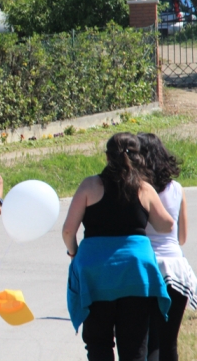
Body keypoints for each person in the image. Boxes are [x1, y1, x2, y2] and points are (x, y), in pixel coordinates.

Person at [62, 132, 175, 361]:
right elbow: (166, 225)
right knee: (134, 348)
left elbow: (67, 231)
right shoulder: (143, 189)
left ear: (107, 157)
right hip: (136, 272)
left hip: (95, 273)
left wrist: (74, 252)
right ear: (138, 158)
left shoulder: (90, 185)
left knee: (98, 343)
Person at [138, 133, 197, 361]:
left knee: (151, 341)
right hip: (176, 270)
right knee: (169, 341)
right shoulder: (177, 188)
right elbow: (182, 237)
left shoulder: (139, 190)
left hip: (147, 268)